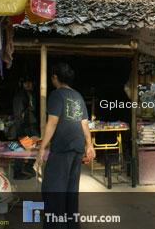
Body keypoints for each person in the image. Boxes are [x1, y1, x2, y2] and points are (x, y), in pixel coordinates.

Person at [36, 63, 96, 229]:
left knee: (53, 190)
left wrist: (42, 148)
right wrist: (89, 145)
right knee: (70, 191)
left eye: (52, 77)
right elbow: (85, 123)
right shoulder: (77, 96)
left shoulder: (57, 95)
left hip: (62, 149)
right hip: (77, 149)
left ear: (55, 78)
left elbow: (52, 122)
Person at [12, 77, 38, 179]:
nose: (28, 85)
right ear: (21, 84)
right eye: (25, 83)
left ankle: (28, 167)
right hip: (23, 127)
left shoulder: (31, 95)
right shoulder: (19, 96)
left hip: (31, 126)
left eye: (30, 82)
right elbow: (18, 115)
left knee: (34, 148)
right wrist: (20, 132)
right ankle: (18, 173)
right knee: (20, 150)